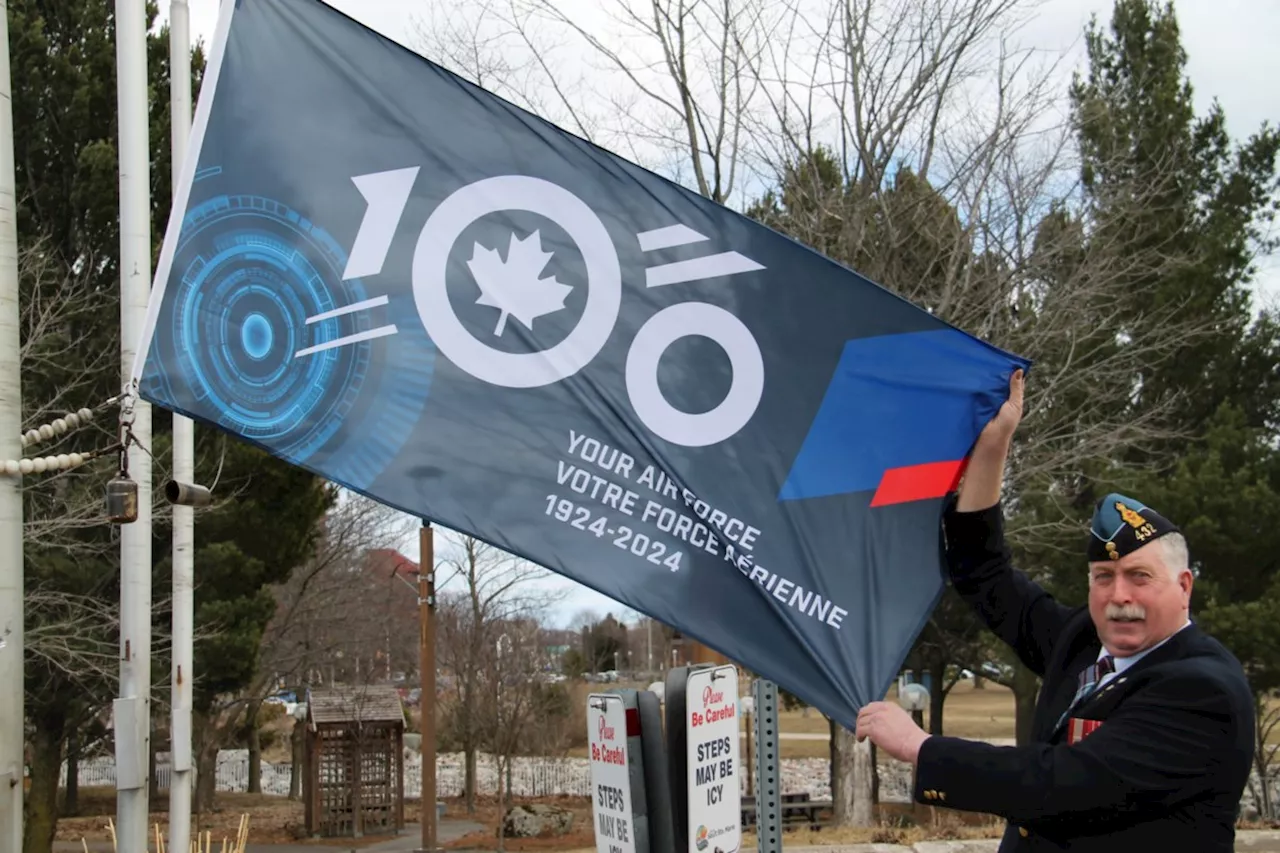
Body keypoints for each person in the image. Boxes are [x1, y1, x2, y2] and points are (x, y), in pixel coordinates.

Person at [855, 369, 1254, 852]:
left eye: (1139, 576)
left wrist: (923, 748)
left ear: (1184, 586)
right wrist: (995, 443)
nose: (1119, 595)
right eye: (1103, 578)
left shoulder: (1201, 690)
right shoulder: (1084, 641)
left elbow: (1063, 782)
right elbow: (985, 576)